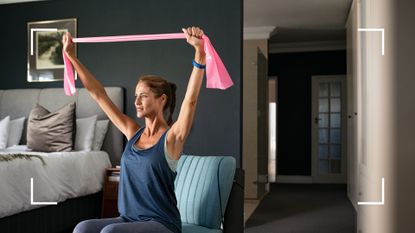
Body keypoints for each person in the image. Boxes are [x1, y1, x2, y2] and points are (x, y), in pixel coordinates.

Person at [64, 26, 206, 233]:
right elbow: (99, 95)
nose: (137, 101)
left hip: (162, 224)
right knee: (82, 228)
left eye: (144, 96)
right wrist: (71, 57)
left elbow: (190, 102)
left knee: (110, 232)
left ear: (161, 99)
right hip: (129, 219)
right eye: (136, 96)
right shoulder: (133, 132)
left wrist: (199, 55)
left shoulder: (171, 139)